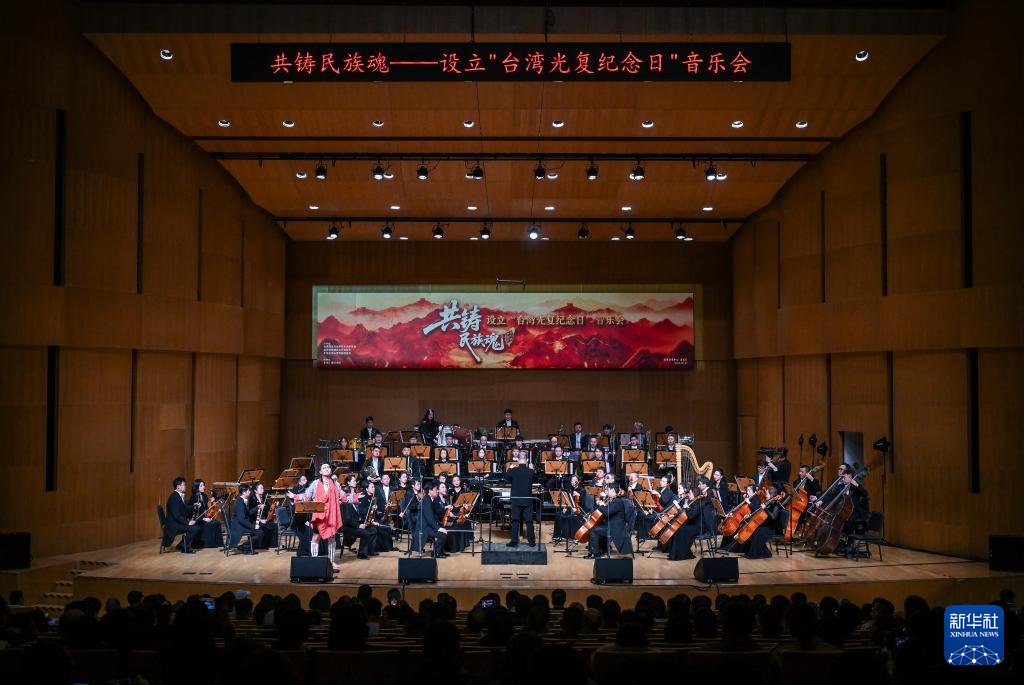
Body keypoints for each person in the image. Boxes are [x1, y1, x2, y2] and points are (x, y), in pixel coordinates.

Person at [288, 463, 343, 571]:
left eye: (328, 467)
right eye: (324, 468)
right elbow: (307, 496)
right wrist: (295, 496)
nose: (327, 469)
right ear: (320, 472)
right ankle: (314, 561)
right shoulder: (315, 483)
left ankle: (331, 561)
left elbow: (343, 495)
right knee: (316, 537)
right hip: (319, 515)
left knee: (332, 538)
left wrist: (354, 497)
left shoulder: (335, 483)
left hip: (331, 515)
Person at [668, 477, 716, 561]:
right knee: (679, 529)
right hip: (693, 525)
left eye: (690, 493)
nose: (688, 495)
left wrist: (686, 508)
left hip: (699, 528)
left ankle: (682, 554)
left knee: (682, 530)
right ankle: (675, 553)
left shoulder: (699, 504)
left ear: (694, 495)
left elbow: (691, 516)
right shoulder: (694, 502)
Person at [585, 485, 634, 558]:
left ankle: (595, 553)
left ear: (613, 491)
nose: (607, 492)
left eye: (608, 490)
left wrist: (601, 505)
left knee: (594, 530)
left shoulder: (617, 501)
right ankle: (601, 549)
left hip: (615, 529)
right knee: (598, 526)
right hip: (612, 525)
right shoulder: (614, 500)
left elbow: (607, 512)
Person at [341, 481, 379, 559]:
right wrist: (359, 525)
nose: (360, 498)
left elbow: (359, 516)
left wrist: (366, 522)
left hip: (355, 525)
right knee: (366, 533)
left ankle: (370, 551)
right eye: (358, 497)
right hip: (349, 528)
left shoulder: (356, 505)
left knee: (373, 530)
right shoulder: (347, 506)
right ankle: (362, 554)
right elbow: (347, 520)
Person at [508, 451, 536, 548]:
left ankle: (514, 542)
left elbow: (506, 478)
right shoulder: (530, 471)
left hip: (516, 499)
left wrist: (510, 469)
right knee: (529, 521)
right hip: (527, 499)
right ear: (527, 460)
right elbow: (535, 480)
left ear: (518, 460)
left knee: (515, 521)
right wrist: (532, 469)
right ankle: (531, 542)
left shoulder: (513, 471)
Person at [163, 476, 198, 553]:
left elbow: (184, 508)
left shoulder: (177, 495)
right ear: (178, 487)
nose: (185, 486)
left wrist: (194, 505)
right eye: (184, 485)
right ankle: (184, 547)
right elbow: (177, 515)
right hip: (173, 525)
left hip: (176, 522)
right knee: (195, 528)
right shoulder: (174, 498)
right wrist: (188, 522)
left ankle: (182, 545)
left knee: (196, 526)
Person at [414, 483, 448, 557]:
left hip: (428, 526)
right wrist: (438, 528)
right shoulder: (426, 500)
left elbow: (437, 511)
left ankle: (439, 551)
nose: (437, 491)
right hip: (424, 528)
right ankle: (436, 553)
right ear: (430, 491)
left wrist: (447, 509)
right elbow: (430, 518)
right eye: (436, 489)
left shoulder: (430, 499)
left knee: (445, 530)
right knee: (443, 534)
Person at [189, 479, 222, 549]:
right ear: (196, 487)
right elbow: (192, 513)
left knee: (217, 523)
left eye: (203, 485)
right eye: (201, 486)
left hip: (204, 517)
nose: (203, 487)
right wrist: (203, 518)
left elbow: (207, 509)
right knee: (211, 524)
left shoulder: (204, 496)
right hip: (197, 519)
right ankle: (207, 544)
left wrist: (212, 502)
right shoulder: (194, 497)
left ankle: (218, 544)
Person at [552, 473, 584, 543]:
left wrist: (579, 495)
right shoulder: (570, 490)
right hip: (570, 509)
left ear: (578, 481)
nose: (573, 482)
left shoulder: (582, 490)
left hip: (578, 510)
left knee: (569, 516)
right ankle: (558, 535)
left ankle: (569, 536)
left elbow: (583, 503)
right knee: (558, 514)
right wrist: (565, 507)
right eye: (572, 481)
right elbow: (567, 501)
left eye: (575, 480)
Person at [229, 483, 258, 554]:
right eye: (248, 490)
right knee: (259, 532)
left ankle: (245, 547)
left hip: (240, 525)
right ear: (244, 492)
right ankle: (245, 547)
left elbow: (248, 513)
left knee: (259, 531)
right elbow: (242, 520)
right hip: (238, 527)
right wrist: (253, 526)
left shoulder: (242, 500)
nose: (250, 492)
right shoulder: (239, 503)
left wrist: (257, 507)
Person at [249, 483, 279, 549]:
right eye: (261, 488)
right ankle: (261, 545)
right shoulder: (252, 499)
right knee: (264, 526)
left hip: (264, 519)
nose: (263, 490)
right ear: (255, 490)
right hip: (255, 520)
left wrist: (274, 506)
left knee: (274, 526)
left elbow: (268, 509)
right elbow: (250, 513)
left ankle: (273, 545)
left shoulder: (264, 498)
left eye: (263, 488)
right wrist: (260, 520)